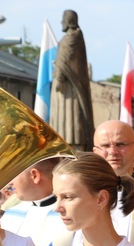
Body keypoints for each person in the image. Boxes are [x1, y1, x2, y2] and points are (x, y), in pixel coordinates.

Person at [0, 158, 73, 246]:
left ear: (35, 175)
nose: (10, 182)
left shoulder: (71, 216)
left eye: (14, 175)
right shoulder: (10, 214)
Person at [49, 10, 94, 151]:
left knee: (70, 113)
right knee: (62, 114)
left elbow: (66, 58)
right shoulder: (70, 37)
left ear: (69, 20)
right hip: (63, 81)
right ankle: (62, 139)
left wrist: (60, 74)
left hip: (70, 85)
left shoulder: (73, 37)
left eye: (63, 18)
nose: (61, 22)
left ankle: (72, 141)